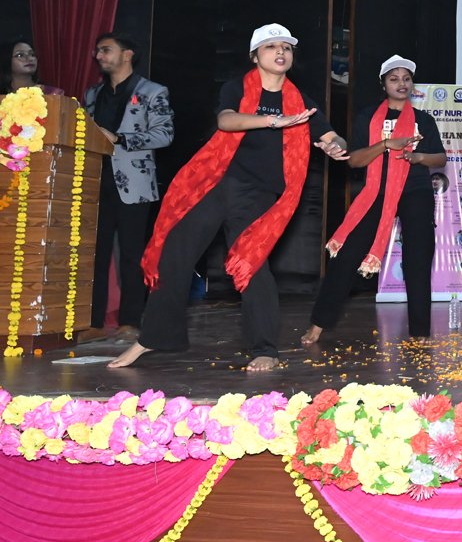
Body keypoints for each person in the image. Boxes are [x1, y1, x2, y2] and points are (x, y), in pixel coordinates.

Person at [109, 24, 349, 371]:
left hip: (259, 195)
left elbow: (330, 135)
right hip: (218, 183)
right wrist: (272, 122)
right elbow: (227, 121)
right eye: (271, 47)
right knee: (175, 250)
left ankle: (265, 349)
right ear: (255, 56)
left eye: (286, 47)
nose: (280, 52)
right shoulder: (237, 88)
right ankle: (154, 337)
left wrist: (334, 146)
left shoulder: (301, 102)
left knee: (251, 263)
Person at [302, 56, 445, 346]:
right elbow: (354, 160)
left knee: (418, 260)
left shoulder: (424, 120)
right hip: (376, 192)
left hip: (415, 190)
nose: (401, 84)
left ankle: (420, 331)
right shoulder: (367, 118)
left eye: (406, 78)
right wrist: (385, 144)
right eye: (394, 79)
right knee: (346, 257)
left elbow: (440, 158)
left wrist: (419, 157)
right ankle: (318, 324)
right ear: (383, 84)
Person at [82, 32, 173, 339]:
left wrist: (120, 139)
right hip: (96, 183)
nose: (99, 56)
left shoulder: (152, 91)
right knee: (95, 254)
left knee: (132, 254)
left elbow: (164, 135)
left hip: (135, 184)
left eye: (106, 50)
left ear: (127, 54)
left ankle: (130, 321)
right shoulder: (92, 94)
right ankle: (93, 322)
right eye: (97, 51)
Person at [2, 39, 66, 96]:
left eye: (32, 54)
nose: (30, 58)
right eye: (20, 55)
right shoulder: (3, 94)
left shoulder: (53, 93)